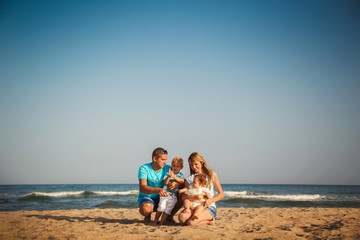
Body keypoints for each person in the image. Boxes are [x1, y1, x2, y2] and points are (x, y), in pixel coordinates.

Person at [178, 152, 224, 226]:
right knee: (182, 217)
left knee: (191, 223)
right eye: (191, 165)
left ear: (201, 162)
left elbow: (221, 194)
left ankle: (210, 221)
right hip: (193, 206)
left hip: (207, 207)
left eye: (196, 164)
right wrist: (196, 197)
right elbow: (183, 197)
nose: (194, 167)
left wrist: (211, 200)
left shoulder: (211, 175)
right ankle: (201, 220)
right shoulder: (190, 179)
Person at [138, 147, 176, 223]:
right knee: (146, 209)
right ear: (155, 159)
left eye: (166, 160)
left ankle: (169, 217)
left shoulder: (168, 168)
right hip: (148, 198)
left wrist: (175, 183)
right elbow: (142, 187)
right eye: (162, 160)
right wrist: (158, 190)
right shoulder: (144, 168)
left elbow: (179, 178)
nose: (165, 162)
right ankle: (147, 216)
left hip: (164, 198)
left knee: (181, 194)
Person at [153, 157, 185, 225]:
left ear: (181, 167)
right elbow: (165, 183)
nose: (175, 168)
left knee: (168, 210)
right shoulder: (168, 173)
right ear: (171, 166)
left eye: (177, 166)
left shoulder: (181, 175)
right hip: (165, 194)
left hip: (173, 196)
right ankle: (156, 220)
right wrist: (169, 176)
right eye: (173, 166)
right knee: (161, 207)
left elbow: (182, 181)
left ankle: (161, 223)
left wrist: (174, 177)